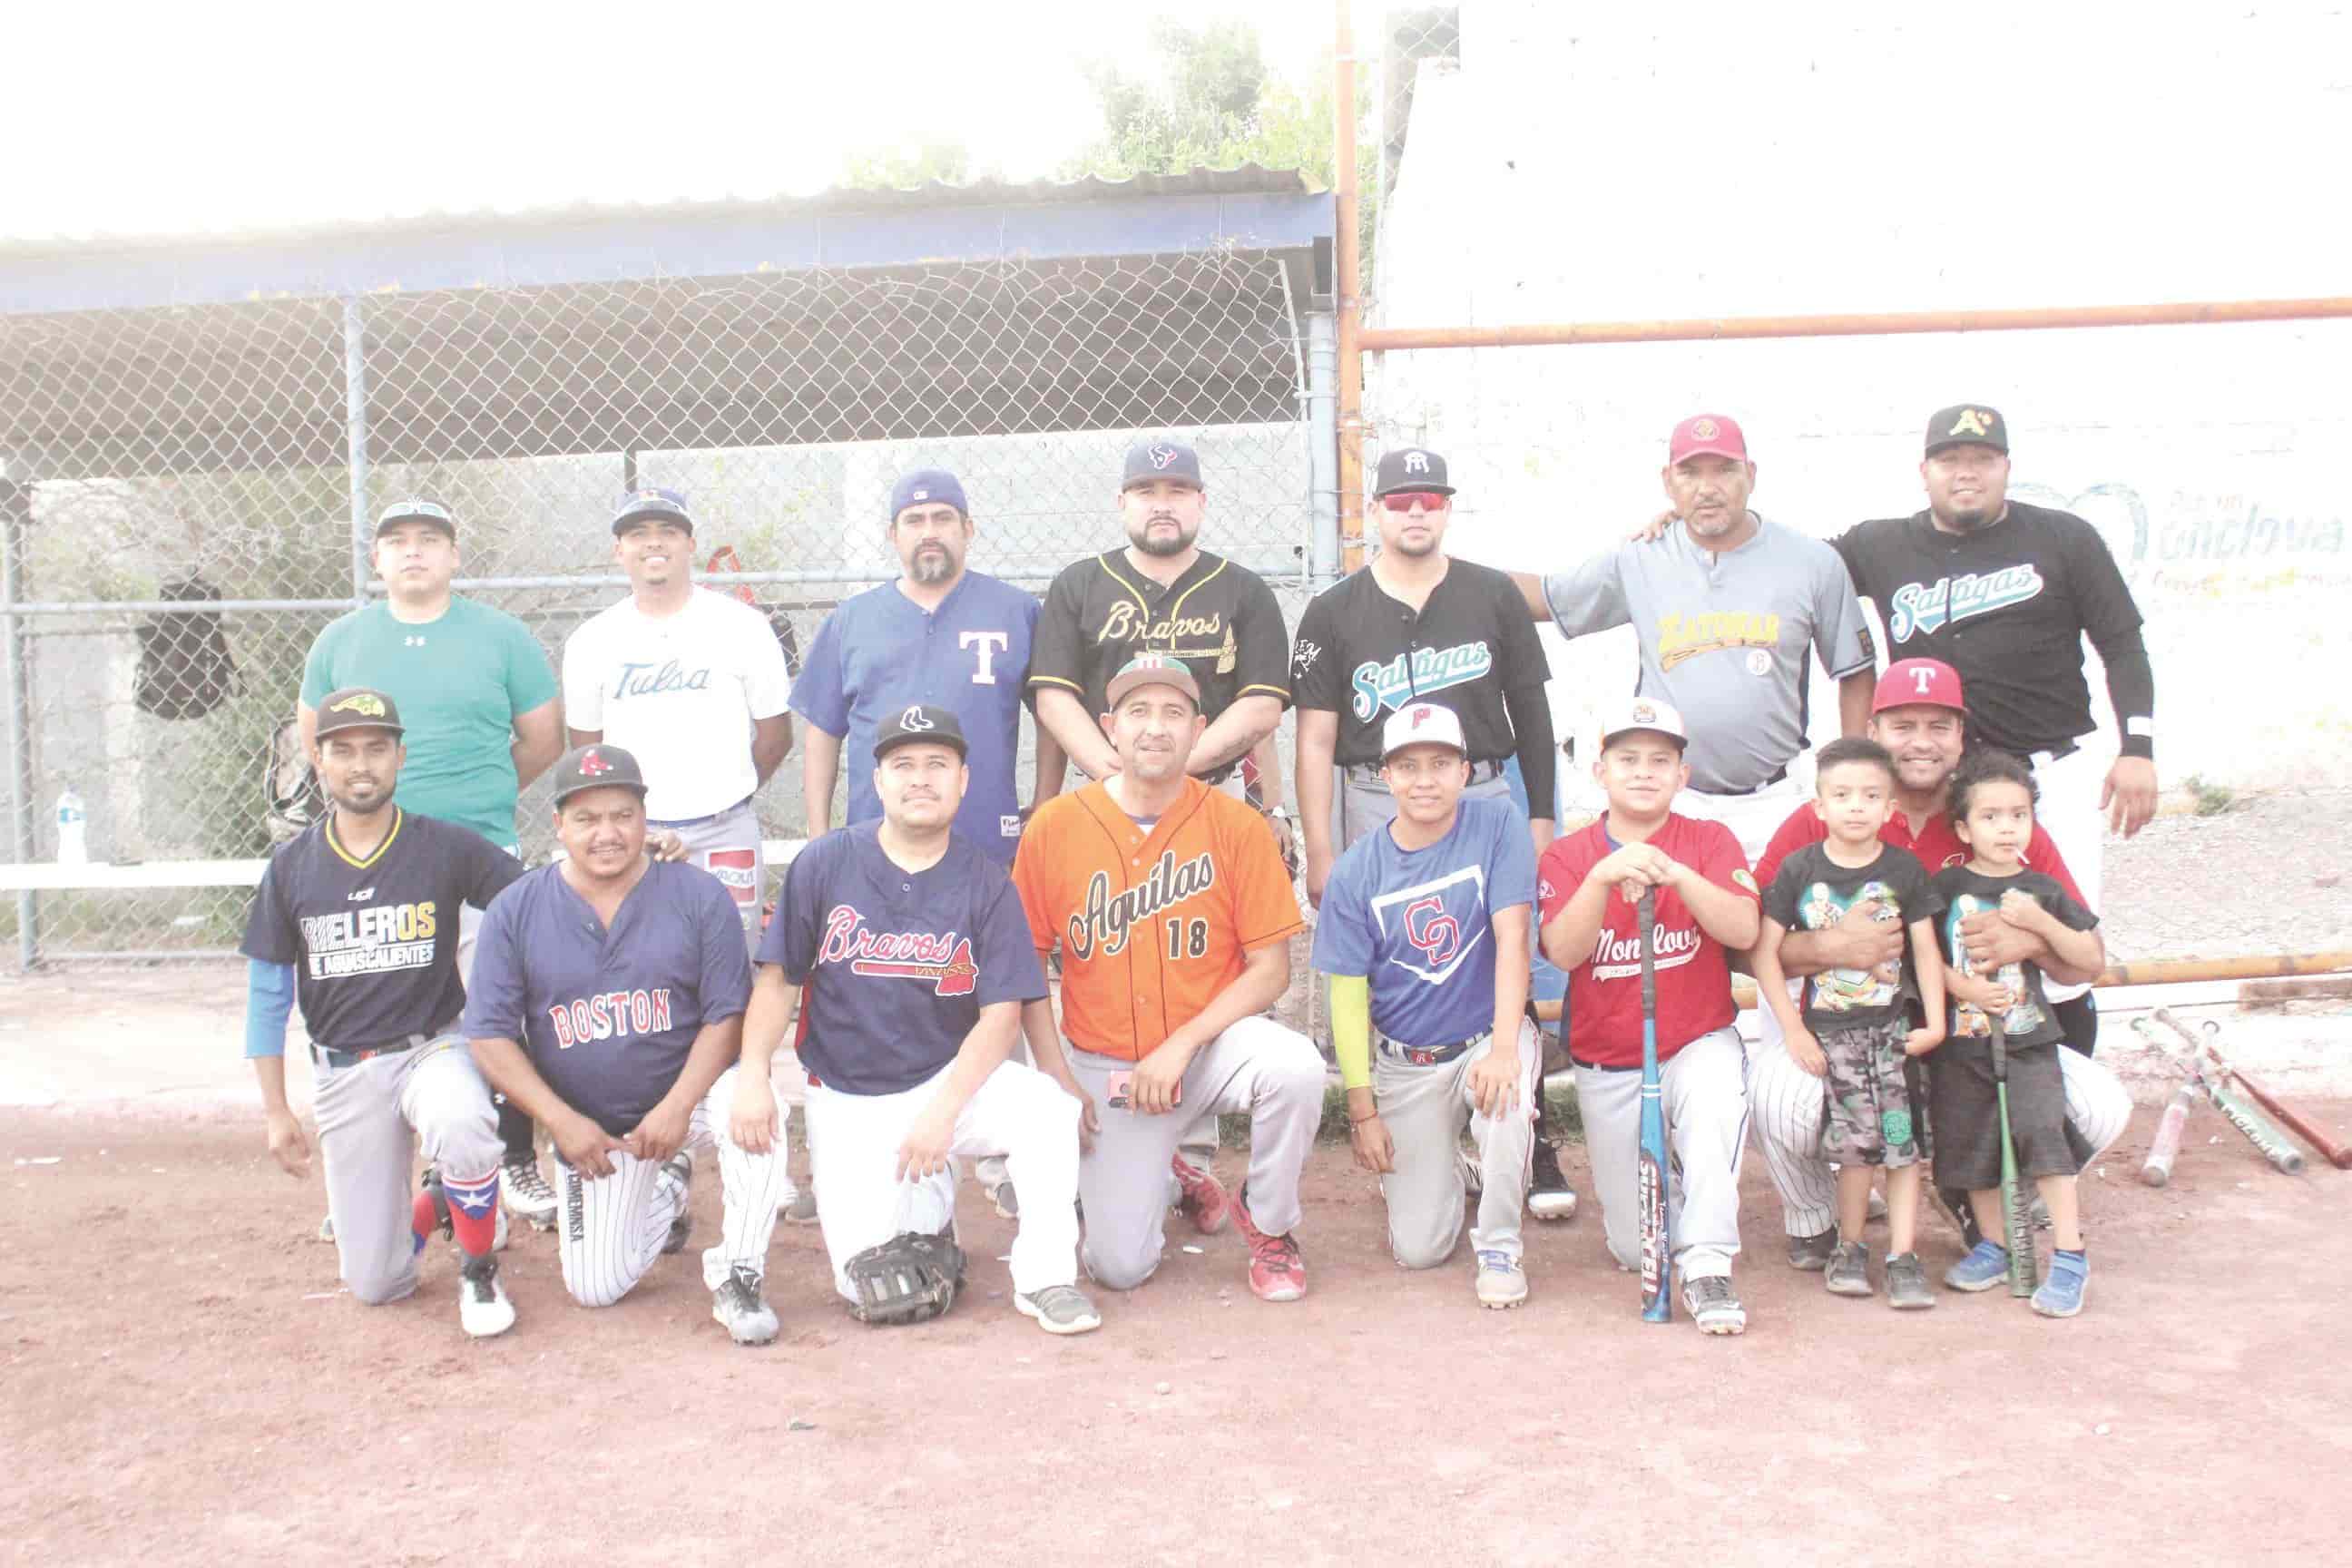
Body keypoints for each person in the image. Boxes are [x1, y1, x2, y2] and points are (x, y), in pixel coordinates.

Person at [1745, 659, 2132, 1263]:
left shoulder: (1996, 815)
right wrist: (1827, 947)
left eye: (1938, 725)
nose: (1921, 741)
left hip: (1976, 1040)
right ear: (1874, 730)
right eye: (1903, 724)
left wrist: (2031, 940)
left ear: (1961, 734)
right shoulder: (1827, 812)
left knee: (2100, 1106)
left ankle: (1987, 1199)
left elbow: (2087, 963)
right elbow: (1747, 947)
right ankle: (1815, 1216)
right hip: (1857, 1030)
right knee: (1780, 1099)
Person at [734, 705, 1096, 1334]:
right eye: (903, 765)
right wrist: (751, 1074)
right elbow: (778, 980)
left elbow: (1001, 1016)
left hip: (944, 1081)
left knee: (1047, 1109)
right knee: (870, 1285)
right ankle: (931, 1222)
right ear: (877, 783)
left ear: (963, 781)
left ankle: (1046, 1279)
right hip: (847, 1095)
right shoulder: (824, 865)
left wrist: (943, 1113)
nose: (920, 778)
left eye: (937, 764)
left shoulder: (987, 882)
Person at [1291, 446, 1576, 1220]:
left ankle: (1524, 1130)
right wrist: (1321, 848)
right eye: (1400, 500)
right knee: (1390, 966)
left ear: (1447, 509)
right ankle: (1414, 1126)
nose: (1415, 511)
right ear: (1374, 513)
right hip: (1373, 794)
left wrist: (1541, 817)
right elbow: (1314, 739)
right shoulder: (1333, 610)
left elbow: (1534, 713)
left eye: (1430, 499)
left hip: (1480, 790)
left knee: (1497, 953)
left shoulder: (1491, 595)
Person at [1830, 404, 2158, 1050]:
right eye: (1951, 460)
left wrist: (2139, 746)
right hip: (1939, 778)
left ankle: (2062, 1093)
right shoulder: (1880, 544)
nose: (1966, 473)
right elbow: (1784, 569)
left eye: (1982, 460)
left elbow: (2122, 643)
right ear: (1924, 471)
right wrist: (1700, 532)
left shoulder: (2064, 537)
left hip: (2048, 770)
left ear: (2007, 468)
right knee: (1952, 931)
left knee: (2061, 942)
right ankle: (1961, 1082)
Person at [792, 467, 1063, 1222]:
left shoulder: (1015, 611)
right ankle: (844, 1148)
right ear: (893, 536)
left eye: (945, 518)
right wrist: (819, 834)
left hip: (983, 837)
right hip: (870, 847)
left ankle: (999, 1155)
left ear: (969, 530)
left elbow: (1050, 714)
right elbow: (821, 730)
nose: (930, 532)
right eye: (915, 521)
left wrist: (1043, 806)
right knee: (862, 988)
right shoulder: (853, 620)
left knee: (993, 990)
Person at [1011, 654, 1325, 1299]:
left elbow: (1271, 972)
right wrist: (1059, 1080)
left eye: (1174, 713)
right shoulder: (1054, 828)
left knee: (1295, 1066)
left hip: (1208, 1051)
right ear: (1110, 729)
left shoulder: (1237, 826)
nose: (1156, 728)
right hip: (1110, 1067)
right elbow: (1022, 971)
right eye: (1138, 712)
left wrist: (1181, 1045)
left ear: (1198, 729)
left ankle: (1268, 1223)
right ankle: (1173, 1169)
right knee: (1118, 1269)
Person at [463, 744, 788, 1346]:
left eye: (621, 815)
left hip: (690, 1104)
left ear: (645, 819)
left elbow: (728, 1015)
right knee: (596, 1288)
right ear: (558, 824)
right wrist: (560, 1122)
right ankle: (664, 1188)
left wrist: (677, 1106)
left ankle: (738, 1274)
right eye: (586, 819)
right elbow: (489, 1036)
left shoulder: (697, 895)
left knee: (755, 1110)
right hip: (596, 1130)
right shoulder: (517, 910)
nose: (606, 833)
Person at [299, 498, 564, 1234]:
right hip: (371, 863)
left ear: (453, 556)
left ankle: (508, 1158)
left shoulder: (500, 636)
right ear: (376, 559)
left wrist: (479, 794)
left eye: (429, 540)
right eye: (397, 542)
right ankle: (384, 1186)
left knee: (494, 1008)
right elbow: (316, 739)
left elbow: (542, 737)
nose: (413, 552)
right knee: (380, 1016)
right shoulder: (341, 640)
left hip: (478, 847)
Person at [240, 687, 525, 1338]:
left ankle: (479, 1269)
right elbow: (267, 995)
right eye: (343, 750)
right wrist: (277, 1110)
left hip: (433, 1047)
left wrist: (636, 864)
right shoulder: (291, 869)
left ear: (401, 757)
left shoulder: (444, 847)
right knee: (378, 1284)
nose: (360, 764)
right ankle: (439, 1202)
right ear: (319, 761)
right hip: (344, 1069)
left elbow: (536, 894)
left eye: (376, 748)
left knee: (462, 1120)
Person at [1515, 414, 1875, 862]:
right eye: (1690, 472)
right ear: (1669, 481)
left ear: (1752, 475)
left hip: (1777, 798)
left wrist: (1853, 773)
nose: (1708, 487)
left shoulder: (1811, 562)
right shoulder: (1641, 558)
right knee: (1670, 932)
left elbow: (1855, 671)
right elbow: (1547, 597)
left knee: (1779, 928)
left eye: (1724, 470)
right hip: (1671, 801)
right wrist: (1430, 569)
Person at [1537, 697, 1761, 1336]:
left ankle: (1711, 1262)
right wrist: (1602, 879)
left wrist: (1682, 878)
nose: (1644, 771)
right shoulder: (1569, 854)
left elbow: (1743, 927)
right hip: (1610, 1056)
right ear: (1600, 771)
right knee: (1636, 1250)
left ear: (1682, 776)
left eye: (1661, 760)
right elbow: (1563, 950)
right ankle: (1689, 1189)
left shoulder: (1708, 840)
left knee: (1713, 1097)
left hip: (1696, 1039)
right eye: (1627, 758)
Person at [1311, 701, 1541, 1308]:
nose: (1425, 780)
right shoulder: (1356, 870)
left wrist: (1506, 1046)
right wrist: (1362, 1113)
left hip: (1483, 1039)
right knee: (1421, 1250)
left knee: (1505, 1101)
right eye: (1408, 766)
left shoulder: (1497, 825)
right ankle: (1459, 1169)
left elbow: (1514, 936)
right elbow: (1347, 997)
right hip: (1406, 1061)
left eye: (1441, 763)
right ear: (1385, 777)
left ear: (1466, 771)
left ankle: (1498, 1246)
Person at [1749, 737, 1945, 1308]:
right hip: (1830, 1035)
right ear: (1819, 805)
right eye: (1842, 794)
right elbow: (1766, 954)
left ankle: (1904, 1256)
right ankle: (1852, 1246)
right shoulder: (1799, 869)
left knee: (1901, 1144)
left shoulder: (1903, 870)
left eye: (1870, 796)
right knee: (1855, 1150)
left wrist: (1933, 1023)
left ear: (1890, 808)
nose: (1855, 806)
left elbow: (1926, 951)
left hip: (1891, 1036)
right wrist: (1793, 1030)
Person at [562, 485, 793, 946]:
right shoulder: (592, 640)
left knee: (733, 965)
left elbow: (775, 736)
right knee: (640, 961)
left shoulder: (742, 625)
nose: (653, 542)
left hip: (726, 827)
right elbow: (588, 748)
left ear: (690, 543)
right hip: (637, 835)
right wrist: (632, 819)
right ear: (618, 549)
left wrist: (725, 793)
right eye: (637, 533)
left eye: (667, 530)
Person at [1929, 749, 2105, 1318]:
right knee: (1974, 1144)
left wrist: (2038, 923)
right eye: (1991, 816)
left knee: (2042, 1136)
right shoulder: (1945, 886)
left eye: (2019, 814)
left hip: (2030, 1041)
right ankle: (1996, 1244)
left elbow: (2088, 958)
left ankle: (2071, 1255)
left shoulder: (2042, 889)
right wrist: (1965, 989)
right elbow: (1923, 960)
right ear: (1963, 826)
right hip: (1962, 1045)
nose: (2007, 827)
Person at [1028, 439, 1289, 792]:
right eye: (1146, 492)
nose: (1162, 506)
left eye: (1178, 492)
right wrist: (1120, 775)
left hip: (1212, 786)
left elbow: (1262, 706)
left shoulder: (1245, 590)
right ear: (1122, 503)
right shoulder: (1077, 585)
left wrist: (1167, 767)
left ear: (1202, 502)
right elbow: (1054, 698)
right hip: (1100, 783)